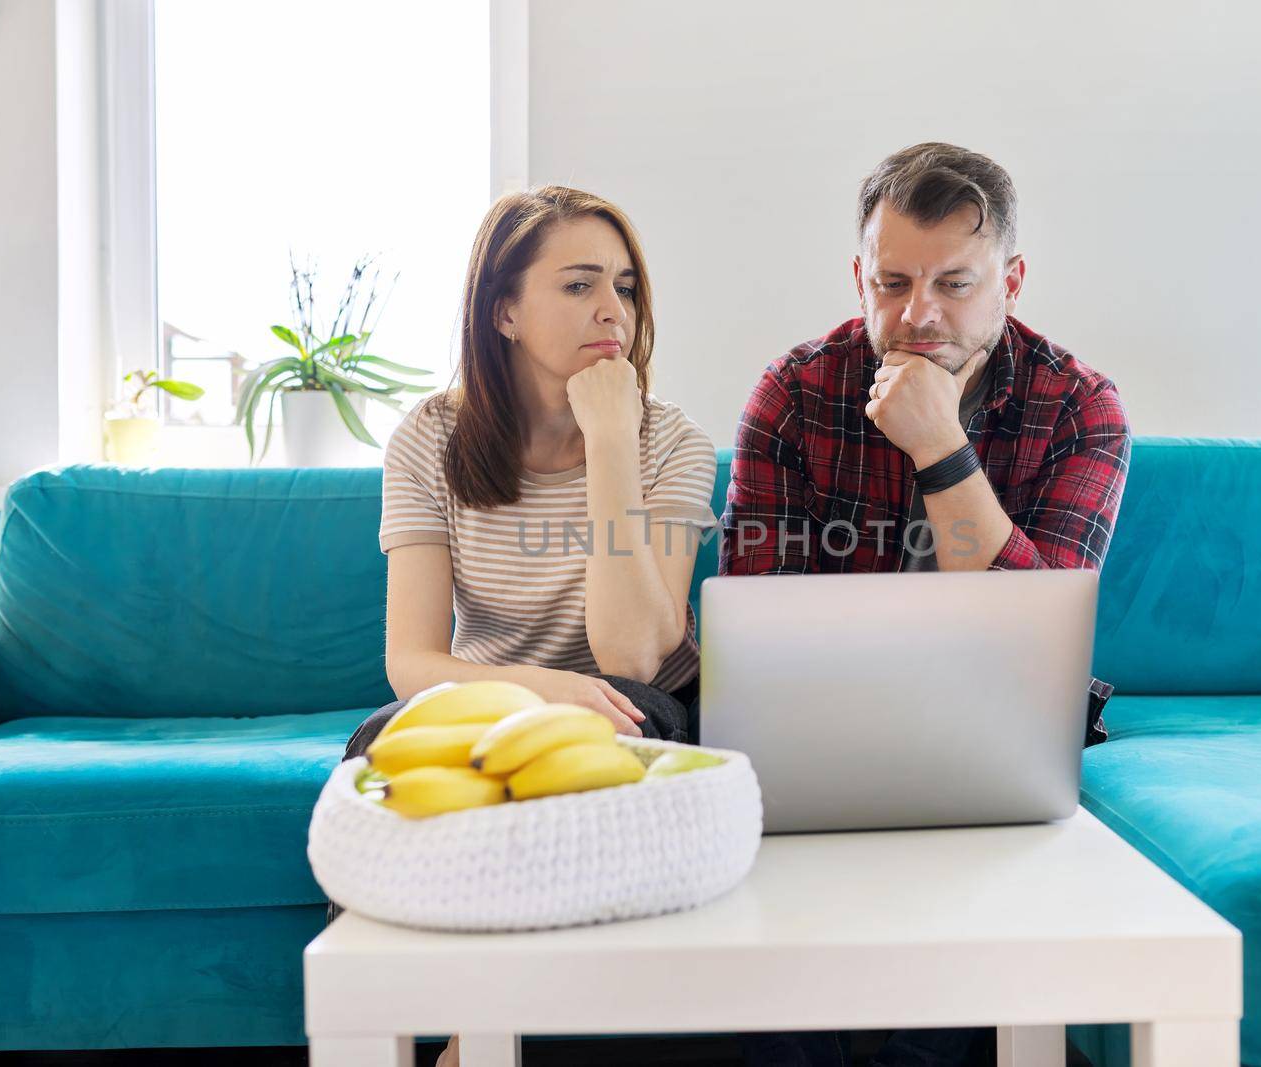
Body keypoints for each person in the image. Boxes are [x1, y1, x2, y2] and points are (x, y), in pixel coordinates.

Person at [721, 142, 1132, 1067]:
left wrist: (942, 449)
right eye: (893, 281)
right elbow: (756, 630)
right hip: (818, 721)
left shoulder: (1081, 409)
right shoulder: (793, 393)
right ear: (858, 277)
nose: (918, 315)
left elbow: (1030, 641)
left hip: (998, 719)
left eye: (954, 283)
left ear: (1011, 281)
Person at [335, 186, 717, 1067]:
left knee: (585, 743)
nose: (612, 311)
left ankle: (469, 1044)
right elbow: (411, 659)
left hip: (638, 702)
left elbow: (634, 654)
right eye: (579, 286)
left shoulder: (672, 441)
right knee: (377, 754)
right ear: (503, 309)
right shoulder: (429, 440)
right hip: (494, 695)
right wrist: (543, 688)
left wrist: (613, 440)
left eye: (624, 287)